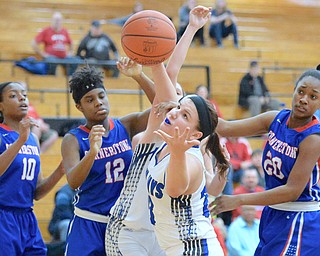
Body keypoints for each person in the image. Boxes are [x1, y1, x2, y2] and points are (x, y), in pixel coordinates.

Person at [105, 6, 217, 256]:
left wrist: (191, 29)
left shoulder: (193, 151)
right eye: (174, 100)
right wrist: (191, 29)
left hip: (162, 235)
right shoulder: (156, 131)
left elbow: (169, 77)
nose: (174, 106)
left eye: (182, 107)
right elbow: (169, 75)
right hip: (127, 231)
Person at [212, 68, 320, 255]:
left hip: (301, 219)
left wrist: (238, 200)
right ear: (293, 91)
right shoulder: (274, 119)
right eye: (301, 91)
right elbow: (225, 127)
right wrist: (185, 105)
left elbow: (292, 191)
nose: (304, 99)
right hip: (273, 214)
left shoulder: (313, 138)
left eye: (313, 96)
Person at [61, 58, 155, 255]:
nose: (98, 102)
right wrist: (92, 152)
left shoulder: (125, 125)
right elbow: (73, 181)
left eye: (101, 96)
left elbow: (164, 106)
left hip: (122, 225)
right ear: (79, 107)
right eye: (90, 100)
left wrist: (138, 75)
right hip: (89, 223)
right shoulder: (73, 139)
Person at [0, 81, 65, 255]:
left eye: (24, 95)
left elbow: (37, 191)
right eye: (13, 96)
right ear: (1, 106)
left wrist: (60, 170)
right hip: (3, 216)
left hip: (27, 217)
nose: (21, 98)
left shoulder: (33, 139)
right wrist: (20, 140)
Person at [32, 11, 79, 76]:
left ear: (61, 21)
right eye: (55, 20)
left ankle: (70, 79)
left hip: (64, 58)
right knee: (52, 62)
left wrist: (70, 52)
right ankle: (52, 80)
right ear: (52, 20)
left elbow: (71, 43)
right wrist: (43, 54)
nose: (57, 22)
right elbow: (34, 42)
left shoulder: (64, 31)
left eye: (59, 20)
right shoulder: (46, 30)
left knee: (75, 61)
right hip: (51, 57)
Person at [46, 183, 75, 256]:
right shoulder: (64, 193)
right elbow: (64, 214)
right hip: (60, 224)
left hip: (82, 225)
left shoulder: (89, 190)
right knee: (67, 225)